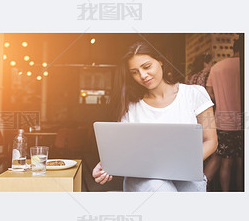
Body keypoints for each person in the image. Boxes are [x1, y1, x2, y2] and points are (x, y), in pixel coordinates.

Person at [92, 41, 218, 192]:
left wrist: (178, 165)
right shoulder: (130, 107)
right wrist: (106, 165)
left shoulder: (195, 94)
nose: (143, 75)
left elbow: (211, 140)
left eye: (146, 67)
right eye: (134, 72)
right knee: (159, 188)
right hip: (145, 179)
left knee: (193, 190)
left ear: (160, 61)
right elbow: (124, 150)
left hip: (185, 173)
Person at [205, 38, 243, 191]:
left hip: (222, 122)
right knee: (242, 161)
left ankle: (225, 194)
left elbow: (209, 94)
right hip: (244, 122)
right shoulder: (245, 65)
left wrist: (222, 98)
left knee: (226, 161)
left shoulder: (216, 67)